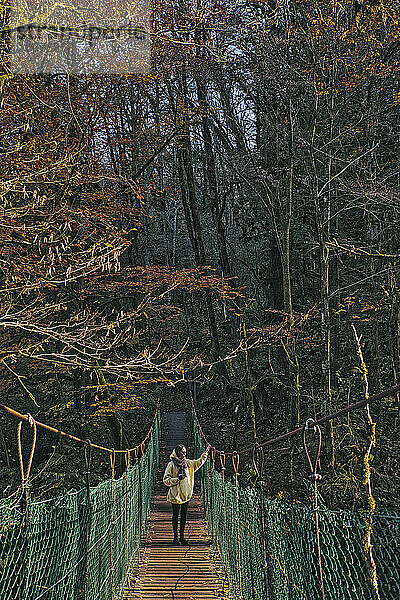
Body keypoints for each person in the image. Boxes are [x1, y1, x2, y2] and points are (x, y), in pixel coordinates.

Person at [163, 443, 210, 545]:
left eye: (185, 452)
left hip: (186, 494)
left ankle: (182, 537)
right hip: (175, 495)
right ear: (177, 452)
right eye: (182, 452)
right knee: (176, 516)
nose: (184, 454)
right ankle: (175, 538)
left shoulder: (188, 464)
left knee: (184, 516)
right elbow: (165, 480)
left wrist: (205, 454)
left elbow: (198, 462)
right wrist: (176, 479)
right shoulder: (171, 465)